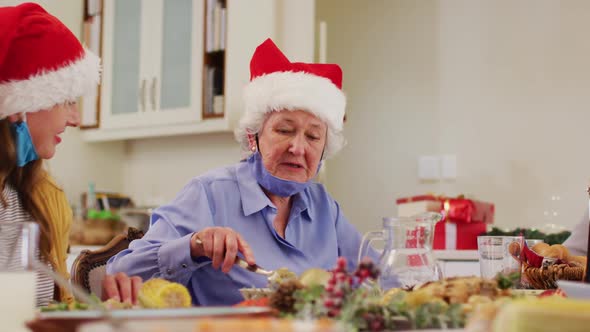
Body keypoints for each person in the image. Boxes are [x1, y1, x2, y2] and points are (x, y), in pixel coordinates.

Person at [107, 38, 387, 306]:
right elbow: (121, 274)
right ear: (253, 136)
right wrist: (194, 246)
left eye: (313, 137)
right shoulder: (209, 193)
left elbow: (381, 280)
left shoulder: (324, 206)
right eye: (284, 130)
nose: (298, 148)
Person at [0, 3, 141, 306]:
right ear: (19, 105)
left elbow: (47, 311)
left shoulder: (44, 198)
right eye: (66, 101)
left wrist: (97, 306)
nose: (75, 119)